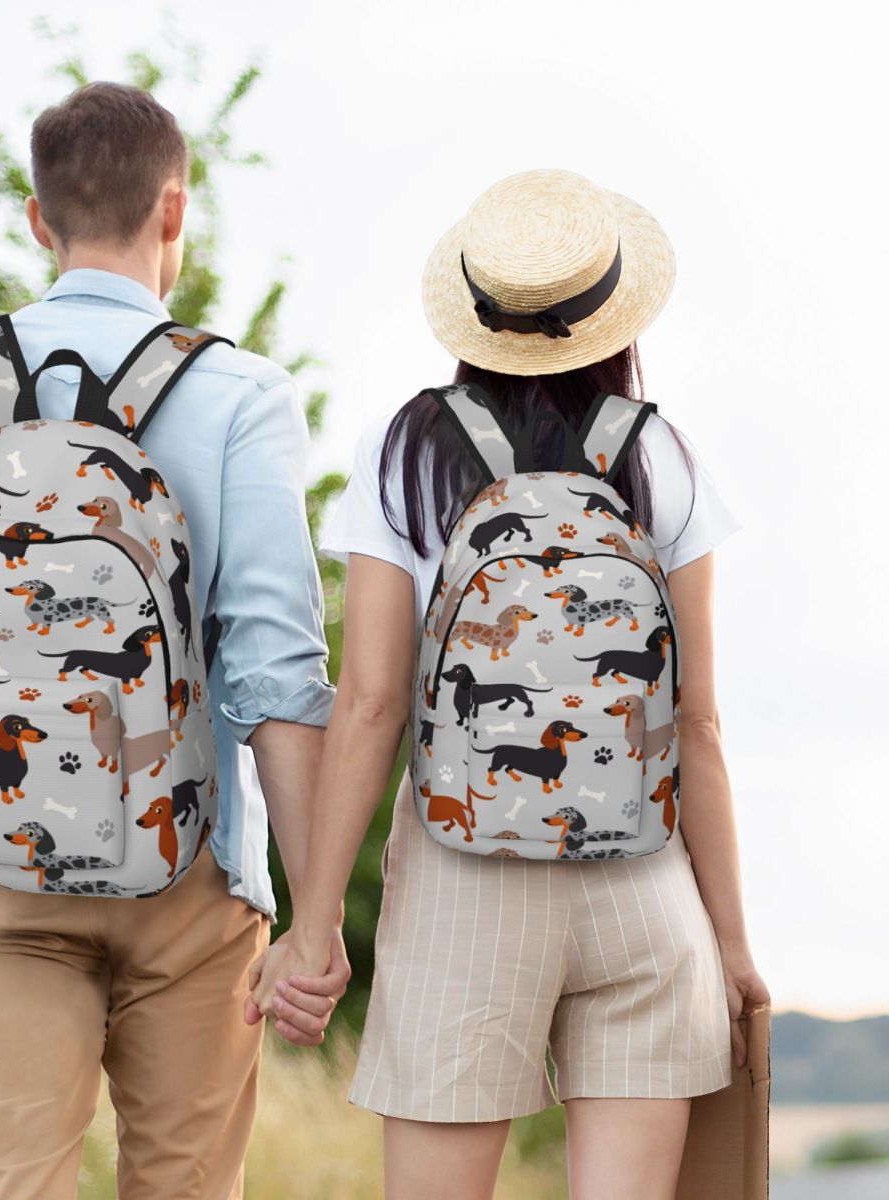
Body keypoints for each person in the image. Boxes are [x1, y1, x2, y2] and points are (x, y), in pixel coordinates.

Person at [0, 81, 349, 1200]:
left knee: (15, 1186)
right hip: (191, 872)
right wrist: (316, 915)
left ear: (38, 220)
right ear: (175, 213)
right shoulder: (240, 395)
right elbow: (279, 678)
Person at [247, 168, 771, 1200]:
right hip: (643, 885)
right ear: (613, 316)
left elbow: (371, 705)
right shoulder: (662, 455)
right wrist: (732, 944)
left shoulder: (406, 450)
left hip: (462, 881)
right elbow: (698, 722)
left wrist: (312, 927)